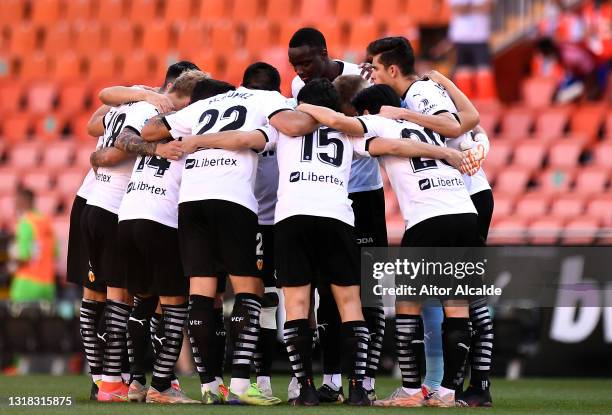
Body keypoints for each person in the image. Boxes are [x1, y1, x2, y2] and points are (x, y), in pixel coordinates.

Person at [175, 79, 475, 406]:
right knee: (349, 305)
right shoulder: (347, 131)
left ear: (301, 104)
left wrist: (197, 141)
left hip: (292, 219)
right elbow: (393, 147)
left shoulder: (283, 128)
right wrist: (444, 152)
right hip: (337, 218)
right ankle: (360, 388)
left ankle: (304, 388)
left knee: (298, 307)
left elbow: (245, 138)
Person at [140, 62, 317, 405]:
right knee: (249, 288)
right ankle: (239, 384)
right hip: (232, 199)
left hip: (191, 201)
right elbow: (290, 126)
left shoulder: (202, 106)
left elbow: (149, 131)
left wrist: (177, 142)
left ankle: (209, 386)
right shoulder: (264, 100)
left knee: (201, 292)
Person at [296, 84, 482, 408]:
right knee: (457, 307)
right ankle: (449, 394)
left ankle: (411, 392)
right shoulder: (428, 126)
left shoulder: (379, 122)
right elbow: (470, 120)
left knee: (408, 304)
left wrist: (302, 106)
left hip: (428, 216)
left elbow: (340, 124)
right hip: (465, 212)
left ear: (369, 111)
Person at [365, 36, 494, 407]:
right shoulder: (418, 93)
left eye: (373, 67)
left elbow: (454, 127)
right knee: (461, 296)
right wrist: (448, 85)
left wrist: (404, 113)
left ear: (392, 68)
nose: (370, 74)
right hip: (460, 196)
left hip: (457, 195)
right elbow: (470, 122)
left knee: (452, 297)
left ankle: (466, 384)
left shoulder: (418, 94)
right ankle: (464, 387)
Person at [67, 61, 201, 401]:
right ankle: (111, 380)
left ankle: (118, 378)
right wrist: (112, 155)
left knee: (120, 297)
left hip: (102, 203)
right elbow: (118, 145)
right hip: (114, 207)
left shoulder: (133, 103)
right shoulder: (148, 109)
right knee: (118, 297)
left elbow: (96, 119)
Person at [288, 27, 386, 403]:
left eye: (307, 62)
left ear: (325, 54)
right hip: (327, 196)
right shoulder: (300, 91)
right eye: (294, 65)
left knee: (365, 289)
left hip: (364, 195)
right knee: (323, 292)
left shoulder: (361, 79)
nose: (300, 71)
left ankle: (366, 378)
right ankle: (330, 379)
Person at [100, 69, 208, 404]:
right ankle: (161, 387)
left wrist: (153, 150)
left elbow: (121, 139)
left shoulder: (152, 125)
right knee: (175, 304)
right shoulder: (191, 127)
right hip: (160, 220)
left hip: (128, 215)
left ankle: (135, 382)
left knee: (142, 301)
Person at [9, 186, 56, 303]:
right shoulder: (47, 222)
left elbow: (24, 255)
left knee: (17, 320)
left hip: (26, 283)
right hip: (48, 284)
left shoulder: (25, 223)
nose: (14, 206)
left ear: (23, 202)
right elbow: (55, 252)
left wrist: (11, 262)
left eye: (16, 202)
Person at [448, 0, 496, 99]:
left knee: (484, 71)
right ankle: (466, 104)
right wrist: (477, 7)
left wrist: (467, 7)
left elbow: (487, 8)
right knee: (463, 72)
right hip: (460, 38)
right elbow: (457, 9)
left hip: (480, 37)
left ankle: (486, 103)